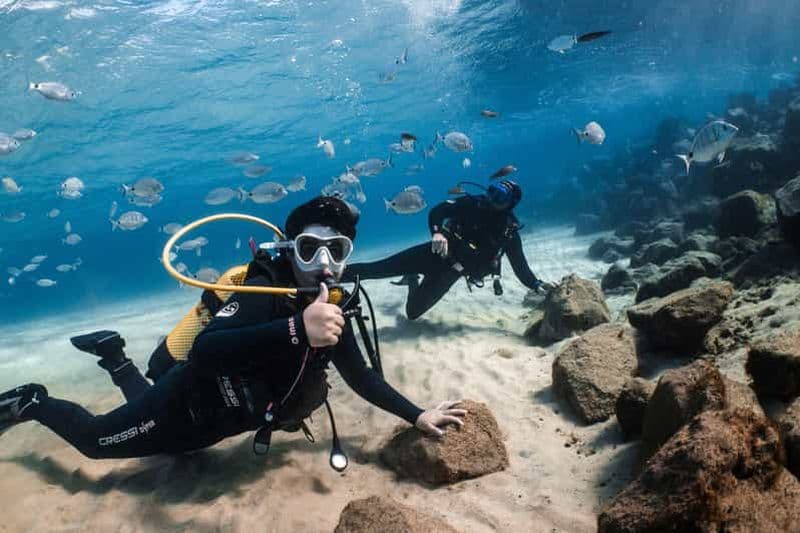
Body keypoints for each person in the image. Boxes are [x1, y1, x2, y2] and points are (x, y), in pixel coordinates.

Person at [0, 196, 466, 461]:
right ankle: (32, 400)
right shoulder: (264, 287)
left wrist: (417, 415)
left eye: (337, 250)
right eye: (309, 248)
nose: (324, 263)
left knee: (171, 450)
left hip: (219, 424)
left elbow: (360, 376)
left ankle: (115, 357)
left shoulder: (334, 306)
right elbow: (205, 351)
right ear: (290, 249)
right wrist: (296, 329)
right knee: (96, 443)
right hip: (185, 403)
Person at [345, 179, 554, 320]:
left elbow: (520, 267)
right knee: (375, 269)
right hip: (433, 252)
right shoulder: (470, 203)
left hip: (450, 272)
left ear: (510, 204)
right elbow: (438, 211)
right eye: (491, 191)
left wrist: (536, 285)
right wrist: (437, 233)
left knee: (413, 313)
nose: (490, 198)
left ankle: (412, 279)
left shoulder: (508, 232)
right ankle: (329, 276)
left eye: (499, 197)